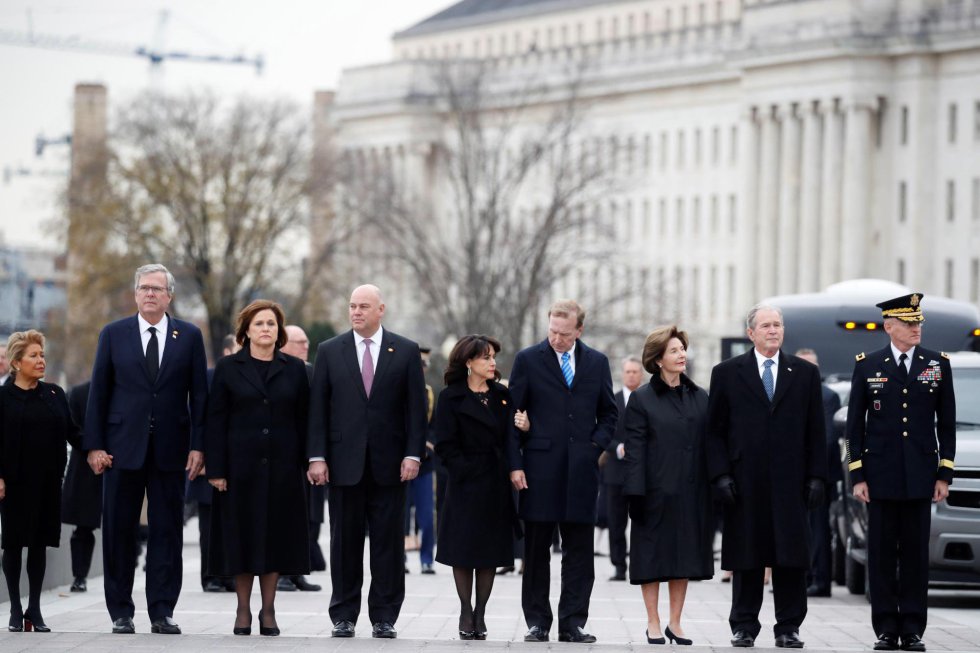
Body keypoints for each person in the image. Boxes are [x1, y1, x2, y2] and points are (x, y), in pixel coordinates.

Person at [84, 263, 209, 635]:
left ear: (170, 295)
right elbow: (99, 394)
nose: (150, 294)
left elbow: (199, 397)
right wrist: (94, 446)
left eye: (157, 288)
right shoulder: (113, 334)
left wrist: (199, 446)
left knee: (167, 530)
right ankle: (121, 610)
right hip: (121, 449)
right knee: (119, 530)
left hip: (172, 448)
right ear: (135, 293)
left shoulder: (188, 336)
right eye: (144, 288)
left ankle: (162, 610)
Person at [307, 284, 427, 639]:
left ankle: (384, 616)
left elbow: (415, 410)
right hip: (343, 464)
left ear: (380, 310)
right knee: (344, 543)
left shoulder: (404, 351)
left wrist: (412, 453)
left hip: (392, 465)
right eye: (352, 306)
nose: (356, 312)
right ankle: (343, 614)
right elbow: (318, 410)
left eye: (363, 306)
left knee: (388, 545)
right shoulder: (330, 350)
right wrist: (317, 457)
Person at [705, 304, 827, 649]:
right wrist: (720, 475)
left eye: (778, 325)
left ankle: (788, 626)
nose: (774, 330)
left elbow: (816, 429)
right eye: (766, 325)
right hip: (744, 481)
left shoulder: (803, 373)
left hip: (791, 482)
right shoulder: (727, 372)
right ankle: (744, 625)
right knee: (747, 556)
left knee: (790, 557)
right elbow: (714, 431)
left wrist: (818, 476)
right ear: (751, 333)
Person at [845, 293, 955, 652]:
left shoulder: (937, 364)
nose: (916, 329)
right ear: (889, 326)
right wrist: (858, 475)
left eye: (919, 323)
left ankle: (912, 628)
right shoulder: (868, 365)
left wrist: (944, 474)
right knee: (880, 556)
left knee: (914, 556)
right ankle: (886, 629)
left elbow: (948, 425)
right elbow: (854, 428)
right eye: (909, 324)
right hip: (879, 477)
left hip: (921, 477)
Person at [507, 299, 618, 644]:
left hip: (581, 473)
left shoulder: (597, 363)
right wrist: (515, 464)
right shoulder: (528, 360)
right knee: (537, 551)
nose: (556, 338)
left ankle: (573, 623)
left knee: (580, 554)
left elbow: (609, 414)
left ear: (579, 330)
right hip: (539, 470)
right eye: (552, 331)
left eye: (564, 333)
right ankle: (538, 621)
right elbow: (512, 416)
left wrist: (593, 449)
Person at [206, 300, 311, 636]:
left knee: (275, 539)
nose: (266, 329)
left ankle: (268, 611)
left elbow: (305, 420)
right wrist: (217, 469)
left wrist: (308, 461)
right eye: (259, 324)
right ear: (246, 331)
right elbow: (215, 421)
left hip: (282, 469)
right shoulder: (227, 368)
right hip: (239, 470)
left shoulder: (294, 369)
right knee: (242, 538)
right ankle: (242, 610)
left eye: (271, 324)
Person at [623, 326, 713, 645]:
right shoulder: (642, 399)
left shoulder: (700, 396)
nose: (681, 355)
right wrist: (634, 492)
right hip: (654, 493)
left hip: (691, 492)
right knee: (652, 559)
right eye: (674, 351)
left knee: (683, 558)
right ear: (658, 359)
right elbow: (634, 449)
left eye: (682, 349)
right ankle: (653, 622)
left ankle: (676, 622)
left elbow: (710, 444)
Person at [434, 335, 524, 640]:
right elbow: (444, 443)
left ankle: (480, 613)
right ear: (468, 362)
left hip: (496, 483)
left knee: (489, 552)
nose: (492, 362)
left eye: (493, 357)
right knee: (463, 550)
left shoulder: (501, 394)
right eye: (485, 357)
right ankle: (465, 610)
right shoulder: (451, 397)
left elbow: (512, 437)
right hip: (464, 484)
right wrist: (465, 470)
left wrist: (514, 466)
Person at [0, 330, 79, 632]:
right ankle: (15, 610)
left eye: (42, 355)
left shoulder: (55, 394)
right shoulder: (3, 398)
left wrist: (99, 450)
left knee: (38, 544)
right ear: (16, 362)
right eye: (33, 355)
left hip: (48, 483)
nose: (41, 360)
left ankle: (34, 608)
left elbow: (73, 432)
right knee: (13, 544)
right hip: (14, 484)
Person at [190, 334, 238, 594]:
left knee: (231, 525)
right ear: (227, 350)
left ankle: (228, 574)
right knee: (208, 525)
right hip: (209, 465)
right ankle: (209, 577)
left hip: (237, 465)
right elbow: (200, 420)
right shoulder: (210, 377)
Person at [277, 324, 323, 593]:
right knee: (287, 517)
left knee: (311, 517)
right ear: (284, 344)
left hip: (311, 455)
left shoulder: (311, 370)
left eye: (307, 341)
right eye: (299, 341)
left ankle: (297, 571)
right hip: (286, 456)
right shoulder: (279, 369)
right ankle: (282, 572)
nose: (305, 345)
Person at [794, 348, 841, 598]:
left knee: (819, 530)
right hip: (795, 476)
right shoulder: (792, 393)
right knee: (802, 530)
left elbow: (827, 439)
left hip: (819, 477)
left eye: (811, 365)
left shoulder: (827, 396)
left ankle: (821, 581)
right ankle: (805, 577)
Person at [61, 379, 103, 593]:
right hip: (85, 467)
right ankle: (80, 576)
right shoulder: (78, 393)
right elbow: (72, 428)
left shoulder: (129, 389)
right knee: (82, 528)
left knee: (124, 527)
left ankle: (125, 570)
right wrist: (93, 449)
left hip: (122, 463)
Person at [604, 356, 643, 581]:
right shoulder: (612, 400)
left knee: (640, 522)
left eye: (635, 372)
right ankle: (619, 566)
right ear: (622, 374)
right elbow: (602, 431)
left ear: (641, 374)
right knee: (616, 523)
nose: (631, 375)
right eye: (628, 372)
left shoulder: (648, 399)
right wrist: (618, 448)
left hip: (641, 472)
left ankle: (639, 564)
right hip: (616, 472)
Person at [406, 345, 436, 575]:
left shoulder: (428, 392)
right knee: (401, 515)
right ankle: (400, 558)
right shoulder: (399, 389)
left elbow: (434, 424)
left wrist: (428, 442)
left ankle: (427, 558)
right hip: (400, 460)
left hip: (424, 462)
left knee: (426, 516)